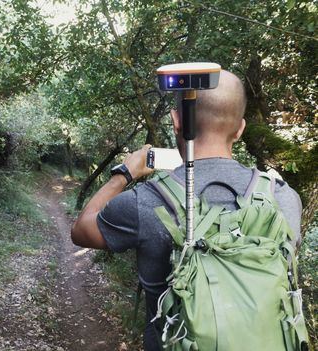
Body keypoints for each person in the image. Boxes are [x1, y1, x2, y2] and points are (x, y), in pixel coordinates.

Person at [70, 70, 302, 350]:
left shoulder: (145, 200)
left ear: (176, 121)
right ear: (240, 129)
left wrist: (125, 173)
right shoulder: (283, 197)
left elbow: (82, 230)